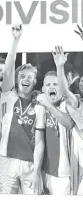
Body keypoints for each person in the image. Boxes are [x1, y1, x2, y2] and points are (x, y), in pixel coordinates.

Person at [0, 24, 46, 195]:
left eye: (30, 77)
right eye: (22, 76)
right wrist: (15, 41)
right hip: (7, 160)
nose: (25, 79)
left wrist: (36, 171)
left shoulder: (40, 106)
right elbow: (9, 68)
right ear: (16, 80)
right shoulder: (8, 97)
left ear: (35, 82)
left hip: (30, 164)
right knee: (5, 207)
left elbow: (40, 141)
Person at [36, 71, 74, 195]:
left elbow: (69, 123)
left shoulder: (67, 106)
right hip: (44, 172)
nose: (52, 87)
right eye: (48, 85)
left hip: (62, 175)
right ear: (42, 89)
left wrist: (49, 105)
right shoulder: (40, 109)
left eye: (56, 84)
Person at [52, 45, 83, 195]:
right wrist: (60, 67)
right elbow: (65, 92)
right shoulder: (78, 106)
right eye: (82, 80)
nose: (82, 82)